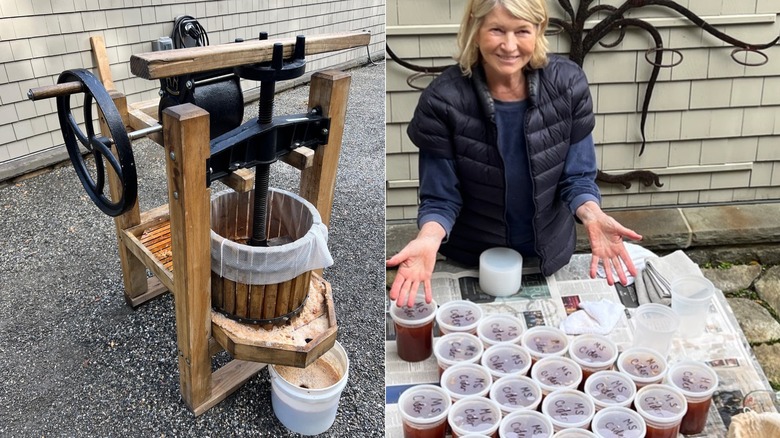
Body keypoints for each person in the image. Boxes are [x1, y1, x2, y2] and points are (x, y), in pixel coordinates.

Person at [387, 0, 642, 307]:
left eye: (522, 31)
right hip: (474, 258)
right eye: (497, 30)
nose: (509, 46)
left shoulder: (568, 84)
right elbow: (441, 197)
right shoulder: (442, 100)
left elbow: (578, 178)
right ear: (476, 30)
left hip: (547, 252)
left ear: (538, 31)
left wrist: (593, 214)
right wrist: (428, 239)